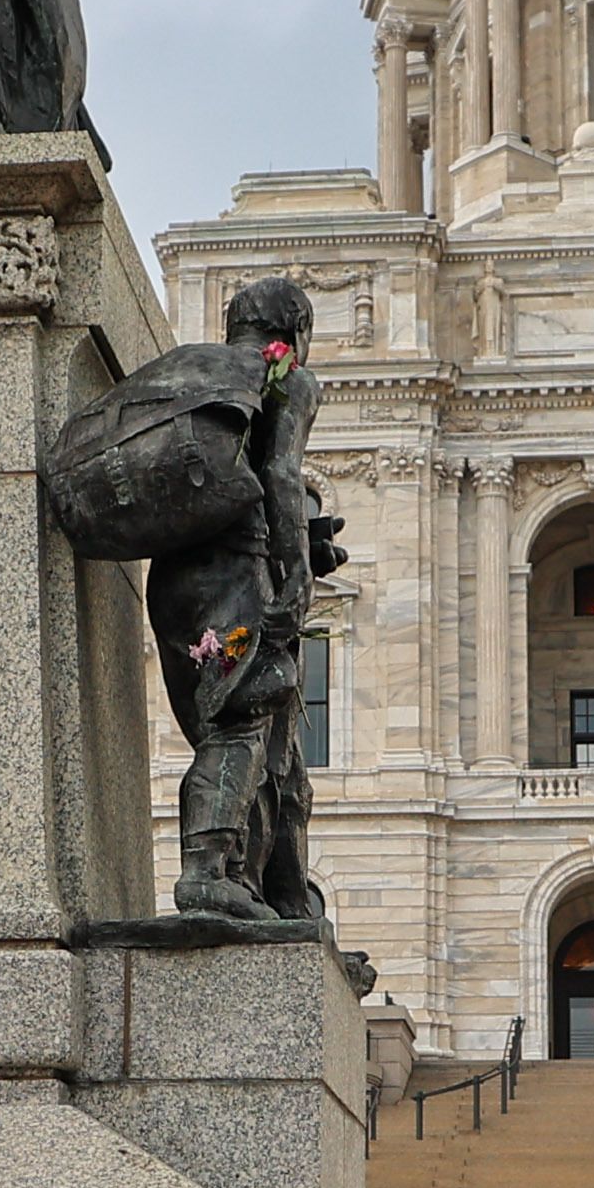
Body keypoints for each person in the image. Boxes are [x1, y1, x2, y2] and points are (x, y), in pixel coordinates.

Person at [148, 275, 340, 927]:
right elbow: (281, 477)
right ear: (296, 332)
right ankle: (207, 872)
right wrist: (297, 579)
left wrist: (304, 545)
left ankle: (278, 892)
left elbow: (233, 483)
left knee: (267, 743)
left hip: (173, 578)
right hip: (238, 577)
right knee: (244, 722)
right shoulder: (282, 377)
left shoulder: (192, 372)